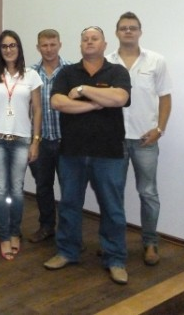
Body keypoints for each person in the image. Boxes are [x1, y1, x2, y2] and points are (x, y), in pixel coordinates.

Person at [44, 26, 131, 285]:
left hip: (109, 152)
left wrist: (82, 90)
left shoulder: (117, 71)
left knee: (112, 208)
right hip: (72, 152)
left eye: (94, 39)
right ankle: (67, 251)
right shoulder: (67, 72)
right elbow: (57, 102)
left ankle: (115, 259)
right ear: (80, 45)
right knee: (69, 204)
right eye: (85, 39)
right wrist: (96, 103)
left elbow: (119, 98)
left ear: (104, 44)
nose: (89, 42)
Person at [106, 12, 172, 266]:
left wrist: (160, 129)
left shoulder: (156, 61)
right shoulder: (107, 62)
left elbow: (165, 98)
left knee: (148, 193)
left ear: (140, 32)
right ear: (117, 32)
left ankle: (150, 242)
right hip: (115, 140)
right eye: (123, 28)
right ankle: (114, 243)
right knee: (113, 193)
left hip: (146, 140)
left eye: (132, 28)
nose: (128, 31)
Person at [0, 30, 42, 261]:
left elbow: (37, 110)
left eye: (12, 45)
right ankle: (4, 236)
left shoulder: (31, 76)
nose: (8, 50)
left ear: (19, 48)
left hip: (21, 141)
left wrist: (36, 141)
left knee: (16, 190)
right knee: (0, 190)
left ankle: (15, 232)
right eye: (4, 46)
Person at [28, 29, 68, 243]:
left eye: (53, 44)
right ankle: (46, 226)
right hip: (40, 140)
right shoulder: (30, 73)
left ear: (60, 45)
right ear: (38, 47)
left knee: (69, 188)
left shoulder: (71, 70)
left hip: (66, 141)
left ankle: (69, 232)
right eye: (44, 45)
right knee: (43, 186)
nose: (49, 49)